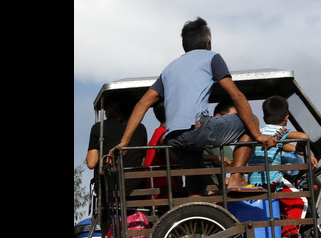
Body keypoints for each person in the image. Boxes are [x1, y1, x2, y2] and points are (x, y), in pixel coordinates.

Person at [110, 17, 277, 197]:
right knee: (251, 119)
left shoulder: (169, 68)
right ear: (208, 43)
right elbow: (236, 96)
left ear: (185, 46)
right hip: (198, 129)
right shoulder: (212, 57)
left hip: (174, 137)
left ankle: (195, 218)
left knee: (196, 188)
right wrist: (258, 134)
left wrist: (124, 141)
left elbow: (142, 103)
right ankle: (236, 177)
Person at [247, 95, 317, 238]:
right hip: (272, 180)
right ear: (286, 117)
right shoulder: (280, 130)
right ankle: (287, 237)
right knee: (301, 201)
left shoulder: (260, 132)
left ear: (265, 116)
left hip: (254, 181)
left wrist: (302, 153)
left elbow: (282, 145)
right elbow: (304, 136)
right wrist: (303, 149)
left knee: (283, 202)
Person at [87, 91, 148, 199]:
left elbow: (91, 163)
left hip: (111, 189)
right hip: (139, 187)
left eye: (107, 106)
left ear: (115, 106)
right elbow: (143, 156)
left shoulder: (98, 128)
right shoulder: (141, 128)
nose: (105, 110)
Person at [143, 103, 183, 200]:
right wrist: (210, 157)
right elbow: (177, 159)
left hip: (159, 191)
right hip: (164, 194)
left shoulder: (158, 132)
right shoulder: (164, 136)